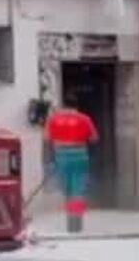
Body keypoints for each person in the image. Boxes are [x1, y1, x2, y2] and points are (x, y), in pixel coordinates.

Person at [45, 99, 99, 233]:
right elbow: (94, 139)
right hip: (80, 156)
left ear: (63, 105)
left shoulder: (53, 119)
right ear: (76, 106)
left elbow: (46, 140)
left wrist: (48, 161)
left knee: (67, 191)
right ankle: (77, 224)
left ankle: (70, 222)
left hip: (61, 157)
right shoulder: (85, 118)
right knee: (78, 190)